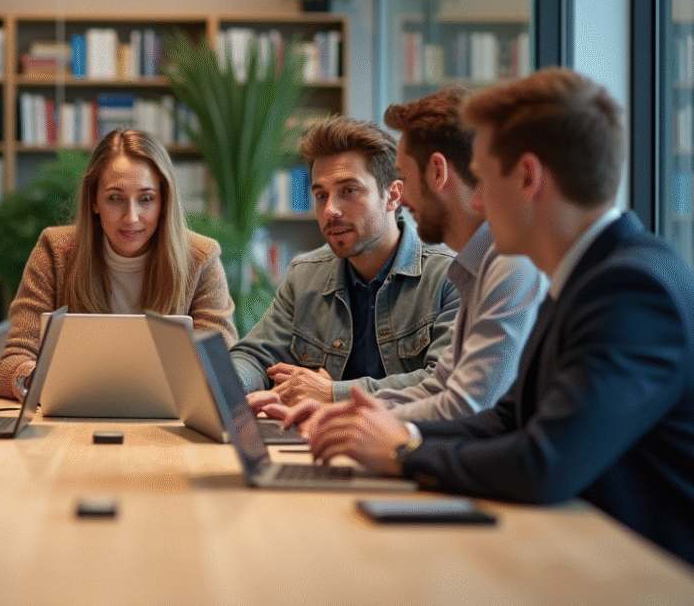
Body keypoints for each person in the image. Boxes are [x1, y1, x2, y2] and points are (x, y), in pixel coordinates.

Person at [297, 68, 694, 565]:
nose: (476, 202)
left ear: (528, 178)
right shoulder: (584, 275)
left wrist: (403, 453)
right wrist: (382, 432)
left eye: (482, 179)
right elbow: (509, 418)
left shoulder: (632, 291)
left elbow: (545, 462)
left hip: (639, 576)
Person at [252, 88, 547, 431]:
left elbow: (466, 406)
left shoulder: (504, 264)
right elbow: (440, 390)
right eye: (320, 195)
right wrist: (337, 416)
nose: (402, 198)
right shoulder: (477, 265)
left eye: (403, 179)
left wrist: (345, 412)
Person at [0, 128, 238, 400]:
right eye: (115, 198)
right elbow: (8, 361)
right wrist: (35, 377)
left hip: (168, 426)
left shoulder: (201, 259)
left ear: (164, 201)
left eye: (146, 199)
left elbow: (222, 366)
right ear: (94, 200)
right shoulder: (56, 251)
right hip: (71, 422)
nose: (131, 218)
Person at [229, 116, 459, 403]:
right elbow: (254, 355)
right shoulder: (304, 276)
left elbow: (444, 381)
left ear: (393, 195)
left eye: (349, 191)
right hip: (317, 438)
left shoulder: (450, 275)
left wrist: (333, 393)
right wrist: (227, 386)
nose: (330, 210)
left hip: (404, 442)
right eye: (321, 195)